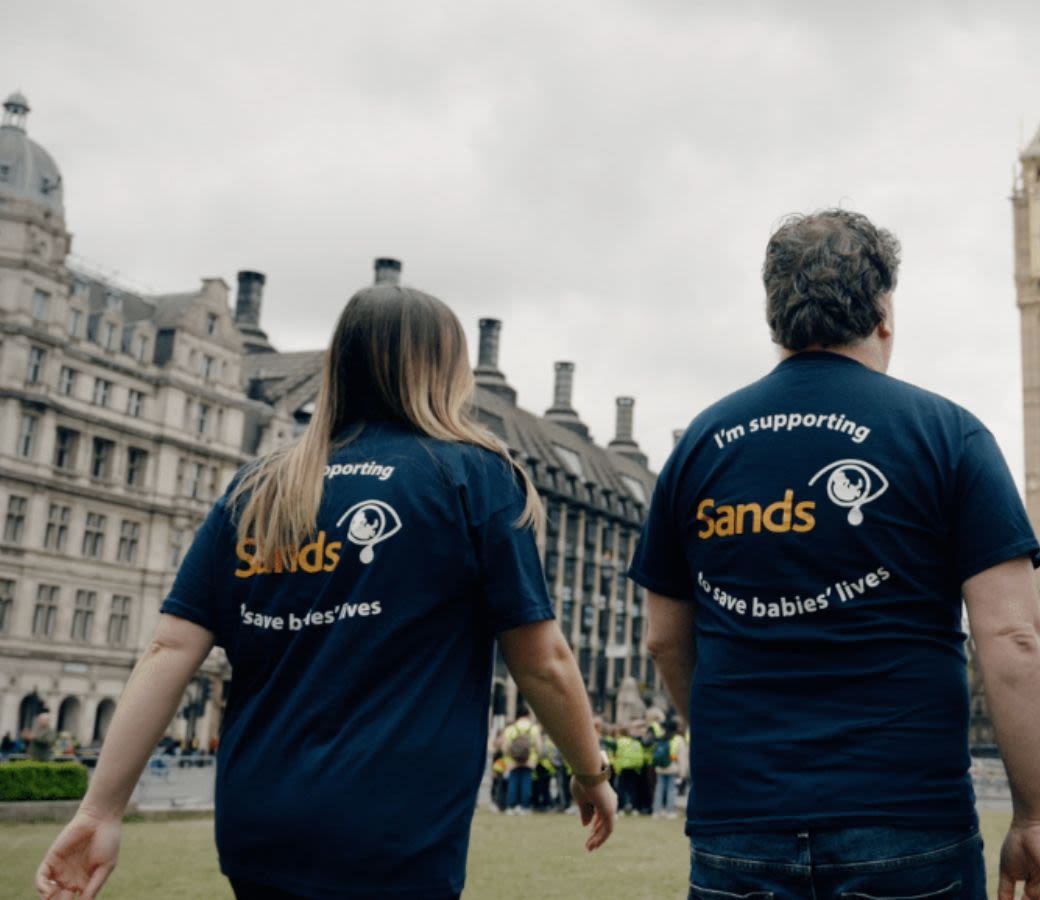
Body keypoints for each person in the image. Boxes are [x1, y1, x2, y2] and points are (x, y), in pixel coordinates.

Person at [35, 283, 617, 900]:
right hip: (393, 830)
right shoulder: (474, 475)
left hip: (258, 823)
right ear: (448, 370)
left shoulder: (257, 486)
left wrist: (100, 811)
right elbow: (541, 658)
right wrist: (589, 771)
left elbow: (169, 650)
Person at [635, 209, 1040, 900]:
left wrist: (738, 744)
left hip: (739, 825)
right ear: (884, 312)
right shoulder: (949, 435)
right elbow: (1012, 639)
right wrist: (1036, 817)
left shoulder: (698, 446)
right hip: (907, 820)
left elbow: (662, 638)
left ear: (775, 315)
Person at [502, 710, 539, 815]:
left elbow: (505, 747)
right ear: (528, 716)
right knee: (526, 783)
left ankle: (511, 806)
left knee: (513, 782)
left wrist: (511, 756)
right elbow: (538, 747)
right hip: (529, 760)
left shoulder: (510, 729)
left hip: (512, 761)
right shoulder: (534, 728)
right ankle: (525, 807)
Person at [652, 720, 687, 818]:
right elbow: (682, 757)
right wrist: (682, 773)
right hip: (673, 767)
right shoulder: (678, 739)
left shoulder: (661, 738)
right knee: (671, 790)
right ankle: (670, 811)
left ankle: (656, 811)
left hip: (660, 768)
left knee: (659, 789)